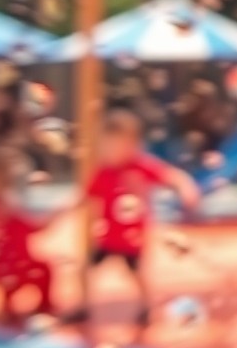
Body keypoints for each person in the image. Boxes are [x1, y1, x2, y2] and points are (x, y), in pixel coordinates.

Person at [64, 109, 200, 326]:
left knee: (138, 275)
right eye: (105, 145)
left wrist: (186, 188)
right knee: (84, 268)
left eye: (114, 145)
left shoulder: (141, 166)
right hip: (107, 237)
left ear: (132, 144)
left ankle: (145, 308)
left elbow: (171, 176)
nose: (108, 150)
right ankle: (83, 306)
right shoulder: (104, 172)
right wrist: (62, 210)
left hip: (132, 239)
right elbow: (85, 196)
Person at [0, 147, 54, 323]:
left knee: (31, 269)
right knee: (39, 271)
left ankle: (25, 306)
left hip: (0, 265)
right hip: (7, 266)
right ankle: (43, 307)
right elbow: (30, 227)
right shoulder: (2, 207)